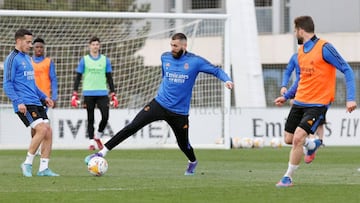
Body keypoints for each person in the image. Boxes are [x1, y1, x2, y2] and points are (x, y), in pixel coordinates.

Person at [85, 33, 233, 175]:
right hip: (159, 104)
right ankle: (101, 153)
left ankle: (192, 161)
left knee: (183, 144)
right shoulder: (165, 57)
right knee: (132, 127)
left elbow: (216, 70)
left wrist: (227, 80)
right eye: (171, 45)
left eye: (175, 46)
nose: (172, 48)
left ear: (184, 45)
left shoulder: (195, 62)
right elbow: (164, 77)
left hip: (179, 112)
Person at [274, 16, 356, 187]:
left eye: (295, 30)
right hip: (300, 102)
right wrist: (287, 95)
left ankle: (288, 177)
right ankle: (312, 144)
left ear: (301, 30)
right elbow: (301, 79)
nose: (294, 33)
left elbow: (347, 70)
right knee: (288, 139)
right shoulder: (301, 51)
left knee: (297, 138)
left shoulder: (325, 48)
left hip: (318, 104)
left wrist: (350, 99)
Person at [3, 28, 59, 177]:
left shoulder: (28, 59)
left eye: (31, 42)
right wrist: (18, 101)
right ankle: (27, 163)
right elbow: (7, 84)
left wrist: (44, 97)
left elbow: (32, 84)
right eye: (28, 42)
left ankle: (43, 169)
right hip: (24, 104)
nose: (30, 45)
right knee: (42, 129)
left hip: (36, 101)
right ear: (19, 41)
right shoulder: (12, 59)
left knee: (48, 131)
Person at [71, 36, 118, 151]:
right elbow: (78, 77)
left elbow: (109, 77)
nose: (95, 46)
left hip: (102, 92)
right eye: (93, 44)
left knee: (105, 116)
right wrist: (74, 93)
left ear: (99, 46)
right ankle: (91, 142)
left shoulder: (105, 60)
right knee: (90, 118)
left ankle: (98, 136)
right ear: (89, 46)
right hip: (88, 92)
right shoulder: (85, 60)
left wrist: (113, 93)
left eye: (97, 44)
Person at [280, 53, 326, 148]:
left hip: (313, 95)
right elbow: (288, 71)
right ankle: (311, 144)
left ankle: (314, 140)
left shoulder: (317, 56)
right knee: (288, 139)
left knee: (317, 121)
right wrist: (284, 85)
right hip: (298, 92)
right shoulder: (295, 57)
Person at [31, 37, 58, 149]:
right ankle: (34, 145)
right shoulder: (28, 61)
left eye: (41, 47)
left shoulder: (48, 62)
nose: (39, 49)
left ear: (44, 49)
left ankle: (42, 147)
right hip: (32, 97)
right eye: (37, 47)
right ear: (33, 48)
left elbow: (53, 79)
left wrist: (54, 97)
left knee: (44, 124)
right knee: (34, 125)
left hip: (45, 98)